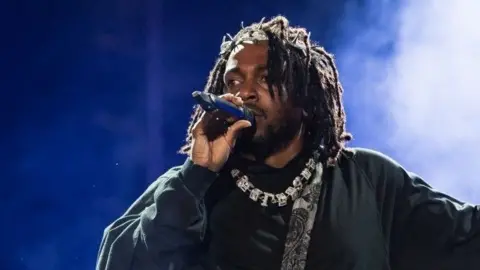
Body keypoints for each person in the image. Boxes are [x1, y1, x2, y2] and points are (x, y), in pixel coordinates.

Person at [96, 16, 480, 270]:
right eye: (232, 82)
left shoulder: (368, 180)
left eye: (264, 78)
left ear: (306, 98)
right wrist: (195, 176)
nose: (244, 92)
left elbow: (467, 237)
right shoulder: (191, 187)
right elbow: (122, 262)